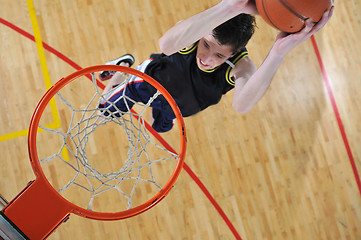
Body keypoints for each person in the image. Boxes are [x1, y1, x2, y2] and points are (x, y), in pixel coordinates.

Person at [98, 0, 334, 133]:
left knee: (160, 129)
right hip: (148, 83)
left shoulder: (240, 66)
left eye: (219, 54)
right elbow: (166, 45)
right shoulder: (196, 34)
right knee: (104, 110)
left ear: (233, 54)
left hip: (177, 107)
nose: (207, 56)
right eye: (207, 45)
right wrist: (231, 7)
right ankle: (123, 68)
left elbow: (242, 105)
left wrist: (278, 53)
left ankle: (124, 68)